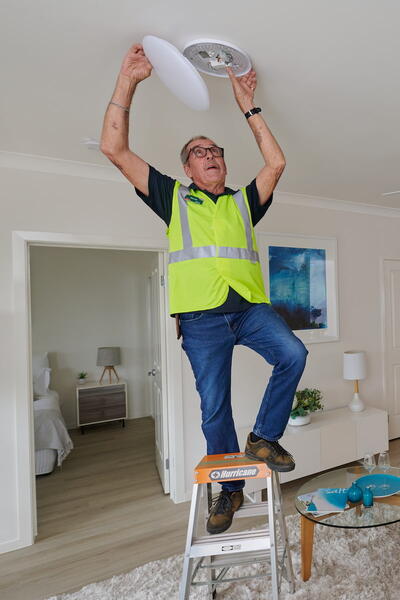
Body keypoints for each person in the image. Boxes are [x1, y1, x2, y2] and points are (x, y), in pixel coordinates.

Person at [101, 43, 308, 535]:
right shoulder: (171, 197)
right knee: (215, 409)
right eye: (200, 153)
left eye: (216, 151)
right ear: (189, 170)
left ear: (223, 166)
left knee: (293, 354)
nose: (210, 156)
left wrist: (247, 106)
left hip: (250, 309)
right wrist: (128, 80)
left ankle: (263, 438)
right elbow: (114, 150)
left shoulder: (242, 204)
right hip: (200, 320)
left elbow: (276, 163)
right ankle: (229, 490)